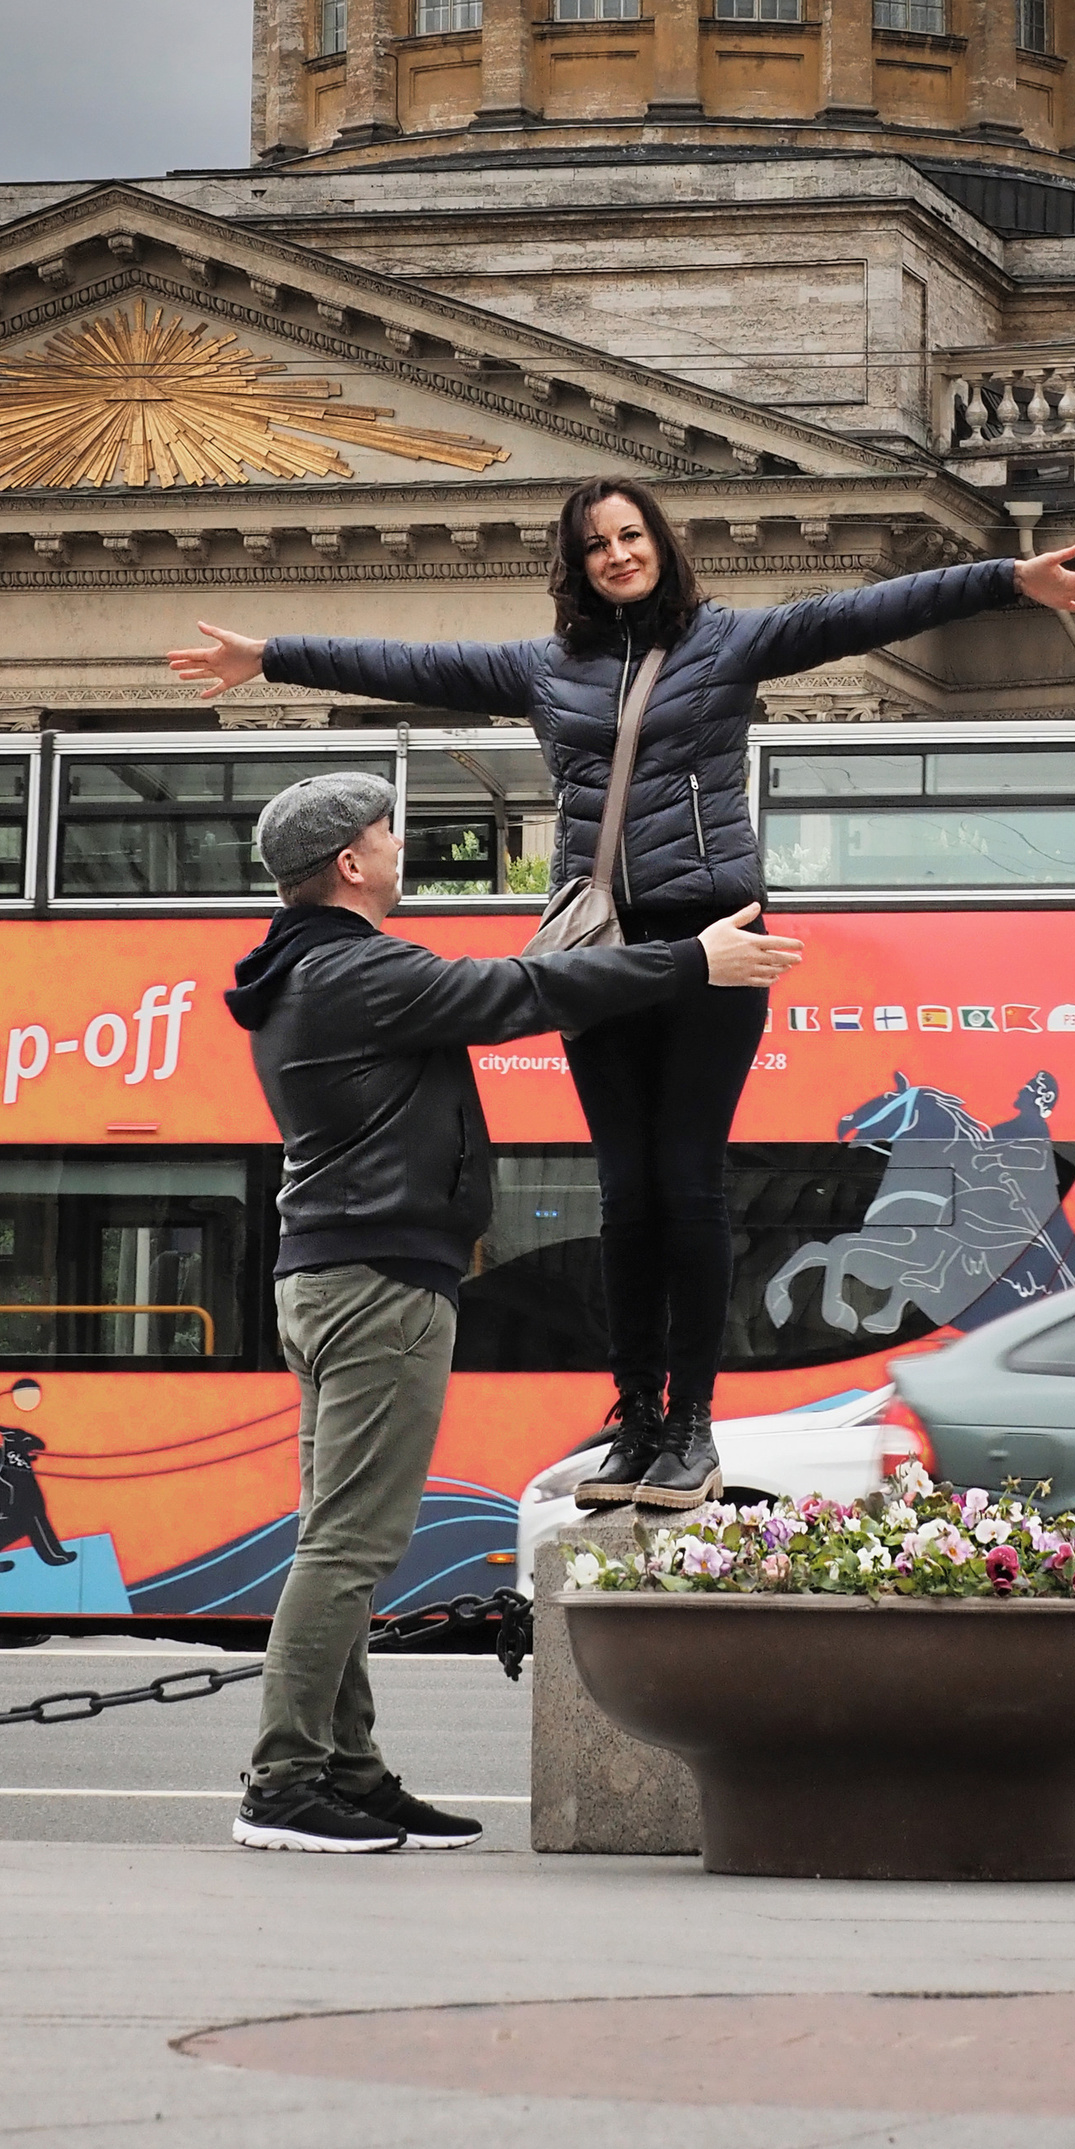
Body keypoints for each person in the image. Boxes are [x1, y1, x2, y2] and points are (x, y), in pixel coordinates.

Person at [172, 482, 1075, 1514]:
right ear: (575, 565)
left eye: (629, 536)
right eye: (594, 545)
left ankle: (691, 1425)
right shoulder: (543, 669)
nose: (616, 554)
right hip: (599, 948)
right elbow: (407, 662)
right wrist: (268, 654)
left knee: (689, 1179)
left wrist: (1006, 579)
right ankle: (633, 1415)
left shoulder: (728, 644)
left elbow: (860, 613)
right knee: (625, 1192)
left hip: (711, 941)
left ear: (660, 545)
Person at [224, 762, 800, 1857]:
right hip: (379, 1282)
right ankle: (285, 1778)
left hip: (331, 1274)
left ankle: (348, 1763)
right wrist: (694, 960)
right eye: (391, 835)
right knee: (351, 1543)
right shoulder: (355, 971)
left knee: (331, 1534)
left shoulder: (310, 968)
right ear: (350, 862)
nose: (403, 849)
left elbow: (508, 979)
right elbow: (513, 996)